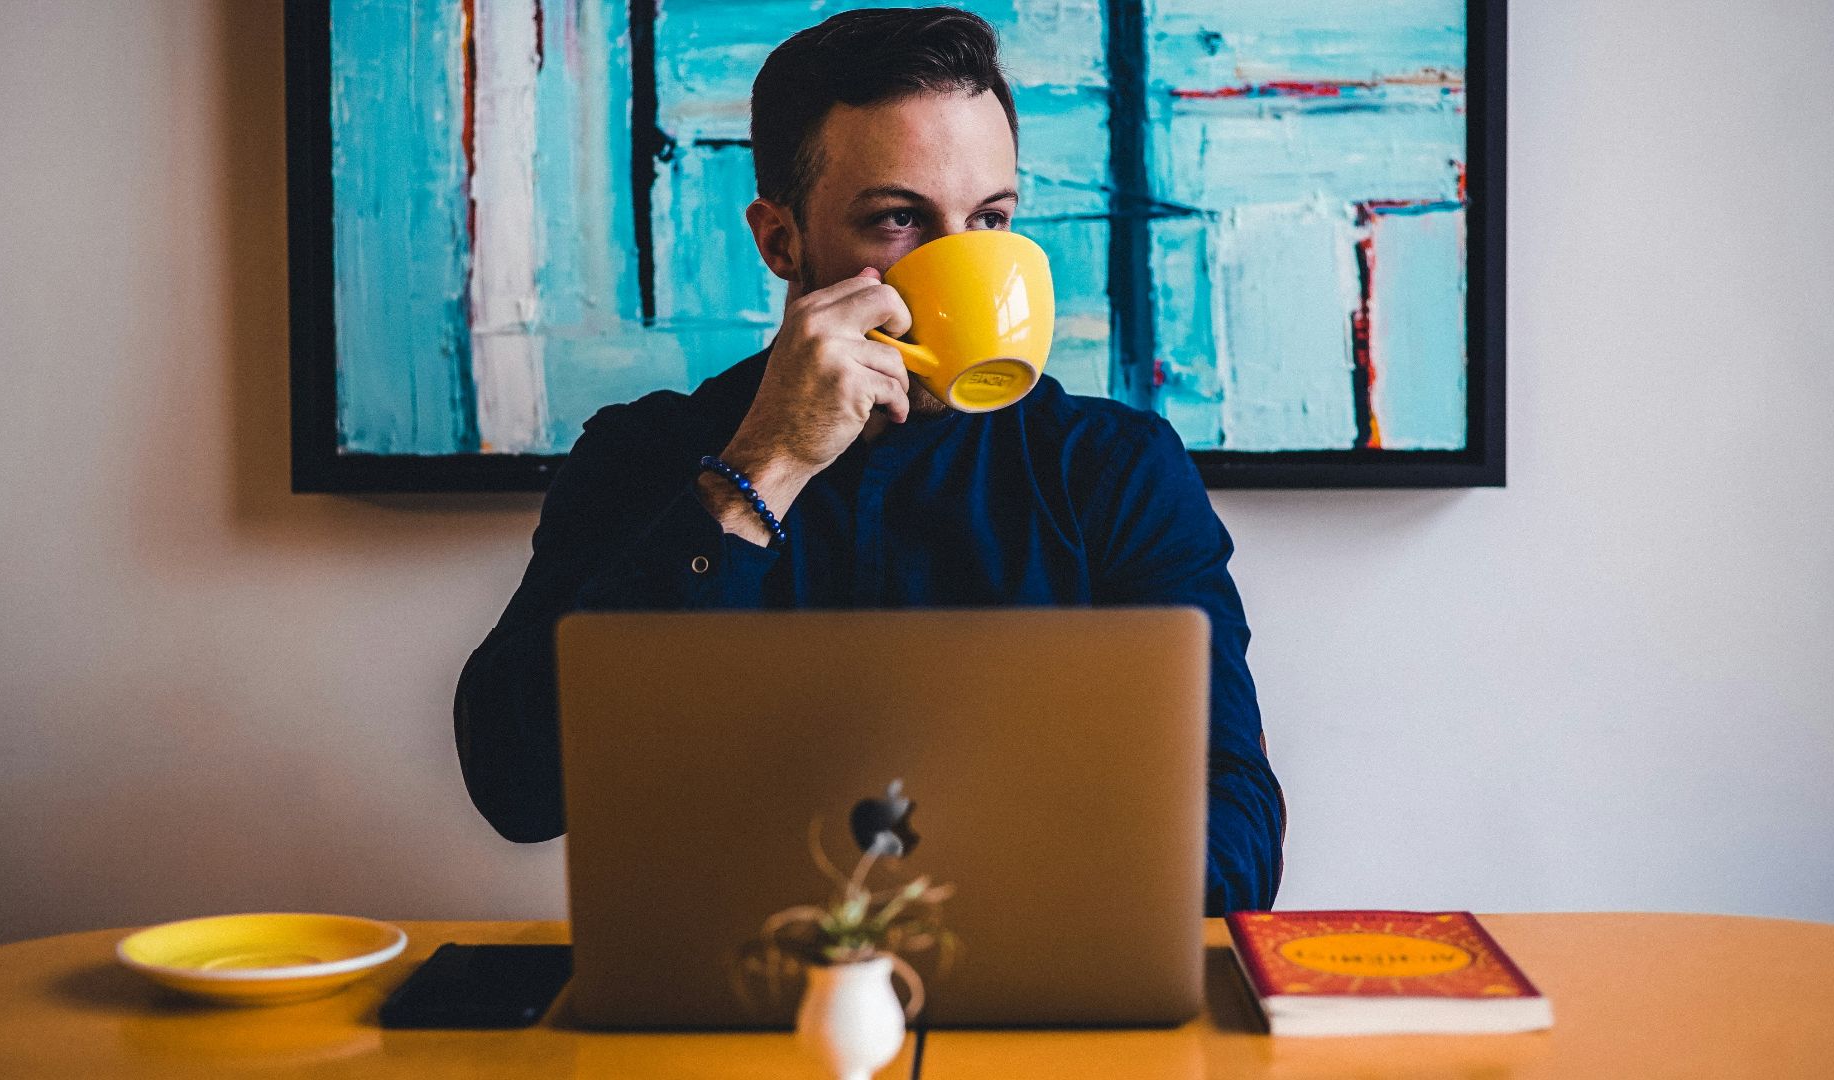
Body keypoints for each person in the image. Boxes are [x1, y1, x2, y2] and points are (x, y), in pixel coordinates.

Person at [454, 6, 1284, 915]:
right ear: (781, 240)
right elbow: (518, 786)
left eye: (990, 219)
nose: (961, 262)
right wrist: (758, 471)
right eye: (900, 220)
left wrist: (1035, 906)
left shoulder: (1113, 471)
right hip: (733, 1016)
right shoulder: (644, 457)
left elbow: (1237, 818)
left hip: (1035, 1004)